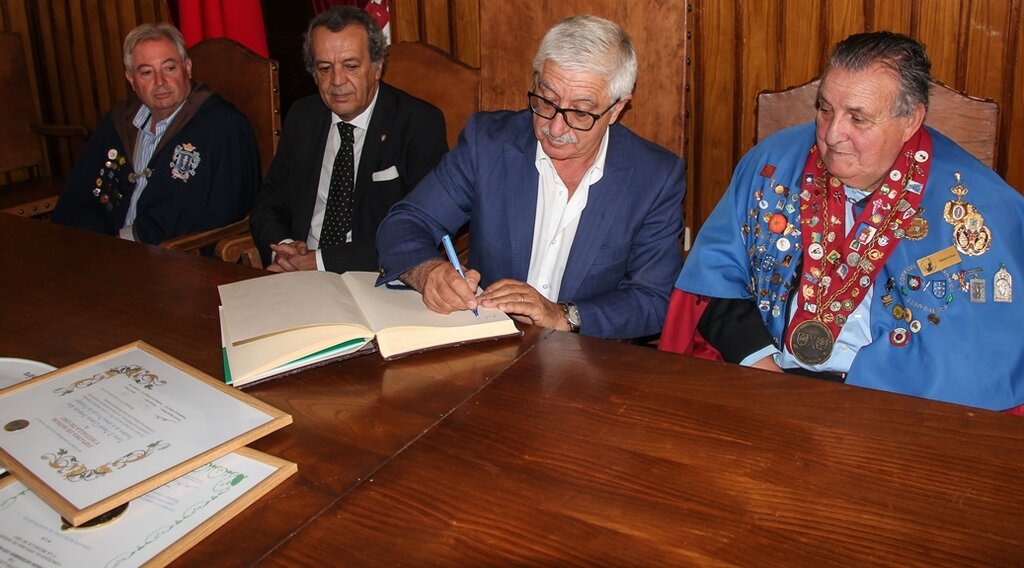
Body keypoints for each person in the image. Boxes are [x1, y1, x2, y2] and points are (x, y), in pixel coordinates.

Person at [660, 31, 1024, 412]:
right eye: (825, 109)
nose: (832, 134)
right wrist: (765, 373)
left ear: (910, 120)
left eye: (858, 118)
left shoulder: (977, 209)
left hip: (891, 405)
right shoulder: (772, 164)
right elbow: (712, 283)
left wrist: (850, 407)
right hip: (764, 378)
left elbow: (977, 357)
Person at [375, 15, 685, 340]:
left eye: (580, 112)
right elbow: (405, 223)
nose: (555, 127)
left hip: (585, 358)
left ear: (617, 109)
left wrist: (561, 314)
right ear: (536, 81)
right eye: (547, 100)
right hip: (490, 345)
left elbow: (654, 300)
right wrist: (429, 272)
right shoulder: (488, 145)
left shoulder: (654, 178)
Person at [249, 5, 447, 273]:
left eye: (351, 66)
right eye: (325, 68)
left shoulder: (418, 123)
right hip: (295, 273)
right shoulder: (303, 116)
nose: (337, 81)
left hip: (373, 276)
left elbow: (420, 228)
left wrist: (318, 261)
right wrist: (283, 249)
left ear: (377, 67)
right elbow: (270, 202)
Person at [52, 23, 259, 245]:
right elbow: (80, 194)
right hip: (107, 250)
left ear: (187, 68)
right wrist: (94, 243)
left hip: (173, 256)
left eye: (169, 68)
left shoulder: (223, 128)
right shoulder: (118, 122)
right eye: (146, 72)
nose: (160, 82)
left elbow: (211, 212)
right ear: (131, 79)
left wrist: (126, 242)